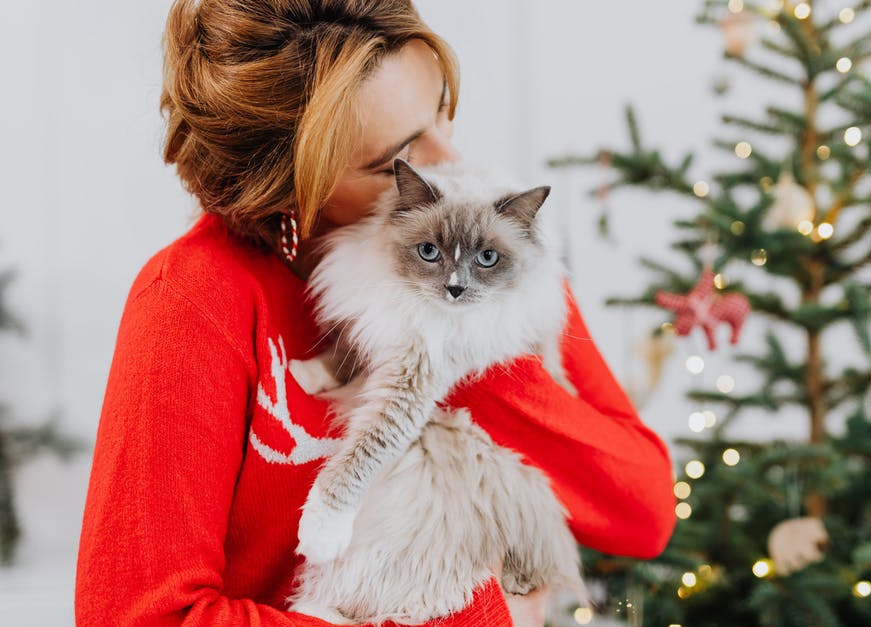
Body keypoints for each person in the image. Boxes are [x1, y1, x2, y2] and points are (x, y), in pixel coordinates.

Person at [74, 1, 677, 625]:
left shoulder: (485, 254)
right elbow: (140, 616)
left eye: (441, 108)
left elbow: (642, 515)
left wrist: (464, 347)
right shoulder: (192, 304)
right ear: (290, 184)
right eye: (398, 154)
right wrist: (467, 617)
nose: (449, 161)